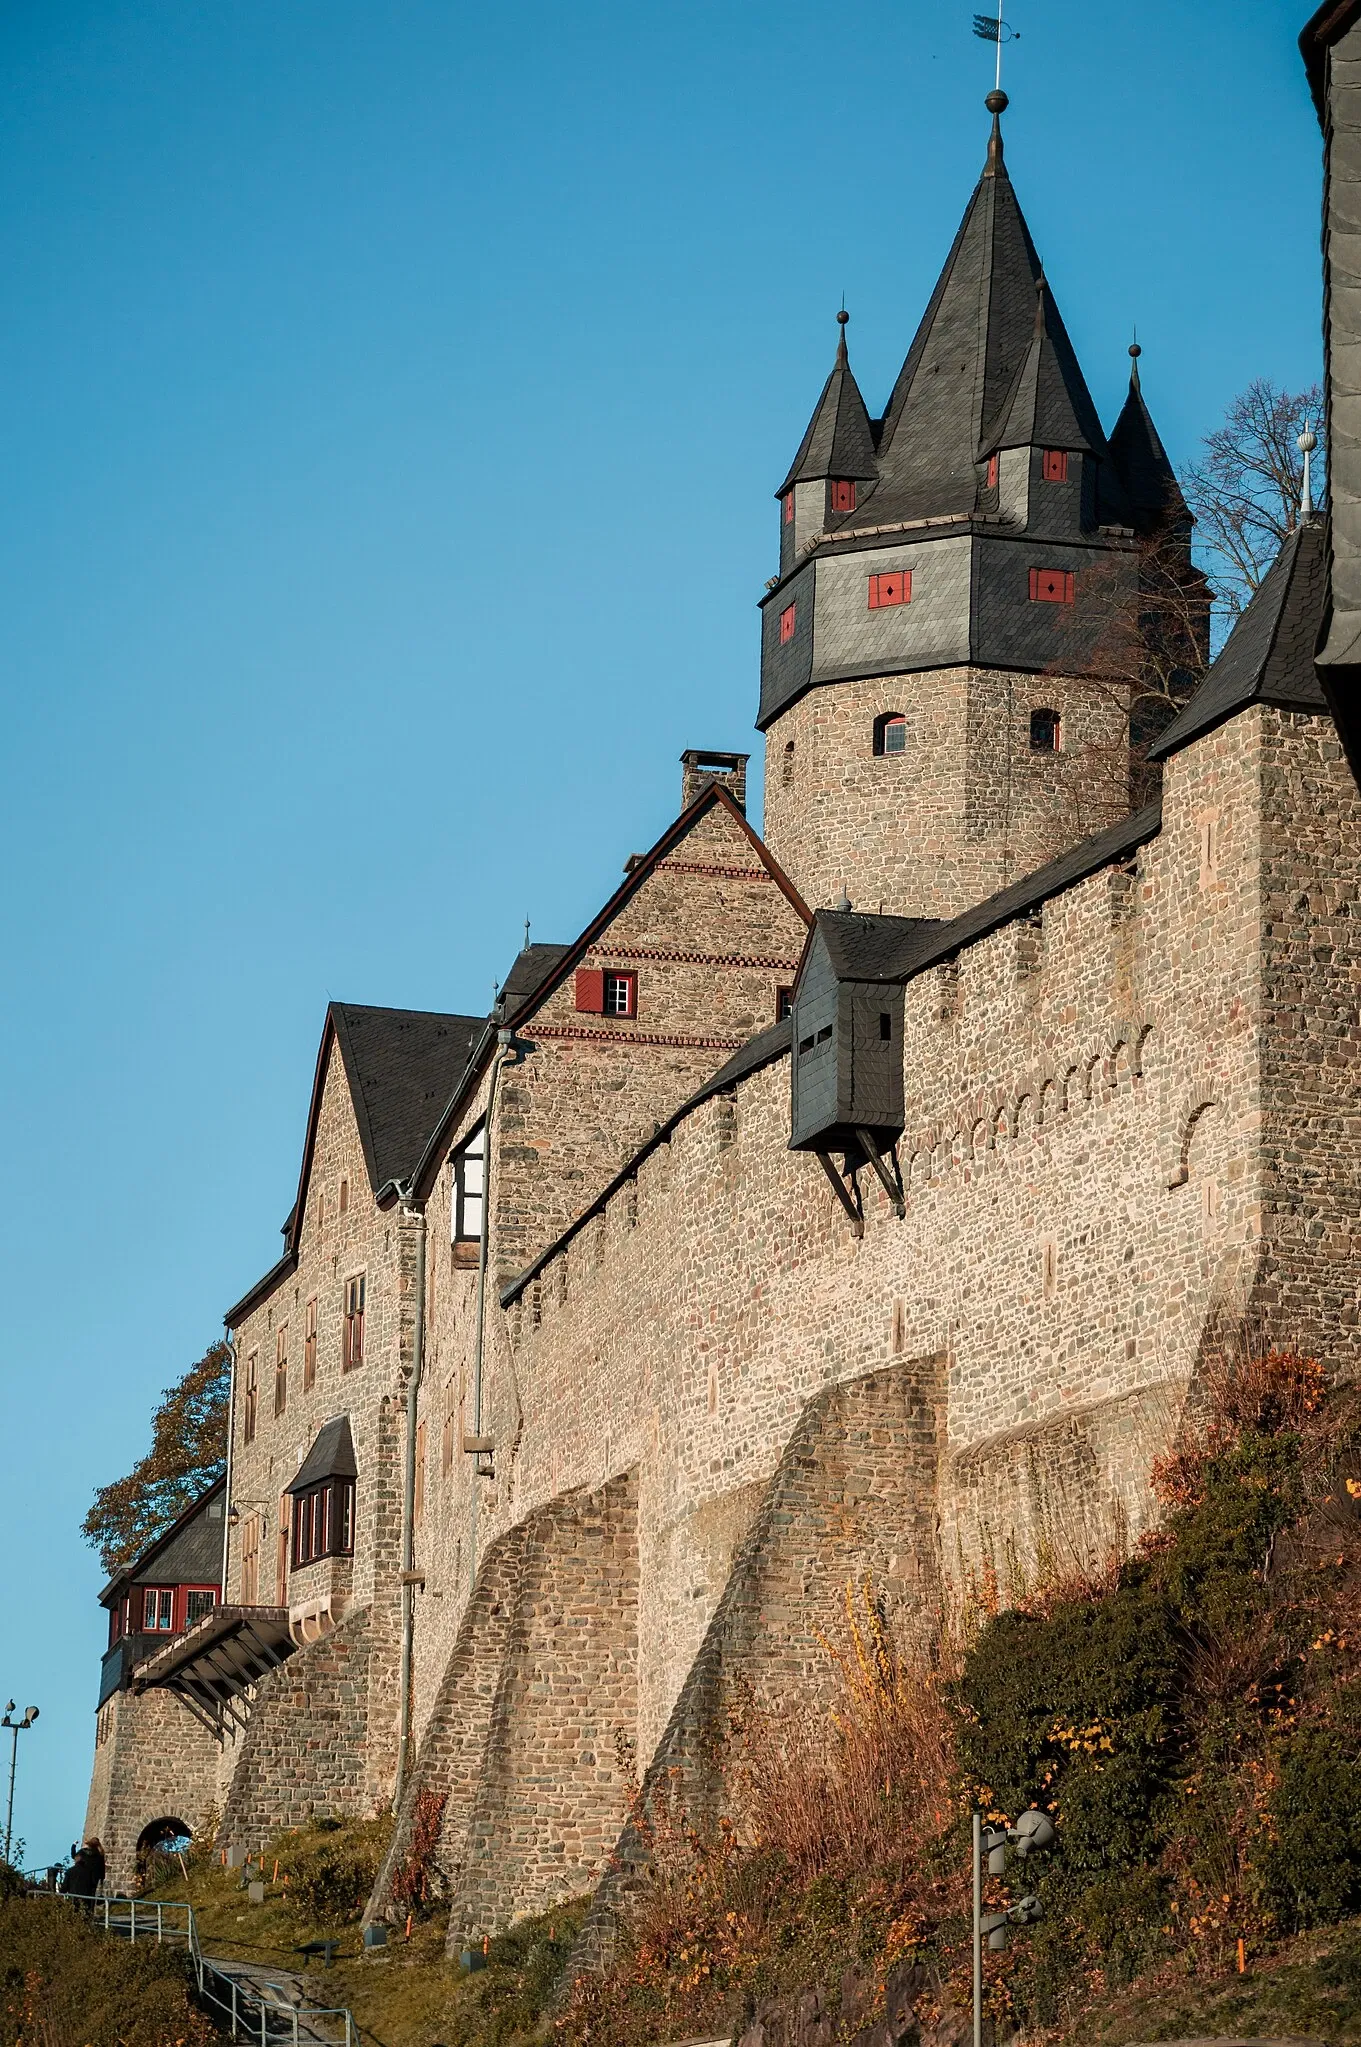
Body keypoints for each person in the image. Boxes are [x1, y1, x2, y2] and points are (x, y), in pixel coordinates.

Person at [60, 1838, 105, 1911]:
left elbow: (74, 1856)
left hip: (83, 1874)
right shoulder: (100, 1853)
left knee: (79, 1893)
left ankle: (78, 1914)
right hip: (94, 1877)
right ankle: (90, 1913)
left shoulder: (83, 1852)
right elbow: (102, 1866)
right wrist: (102, 1878)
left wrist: (73, 1845)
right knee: (91, 1896)